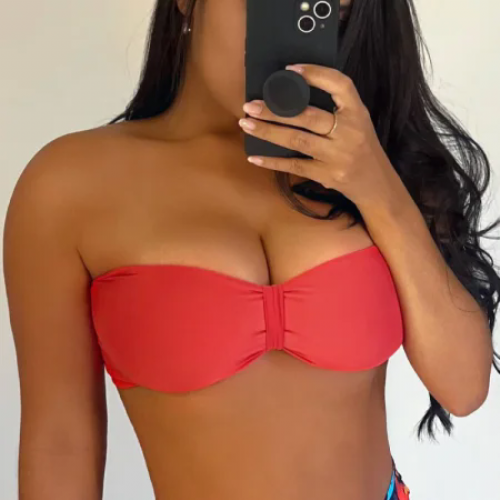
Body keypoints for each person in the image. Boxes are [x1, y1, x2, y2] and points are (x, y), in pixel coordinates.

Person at [4, 1, 499, 499]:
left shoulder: (376, 166)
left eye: (322, 6)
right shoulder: (68, 187)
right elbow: (60, 443)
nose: (279, 24)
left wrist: (378, 188)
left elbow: (463, 388)